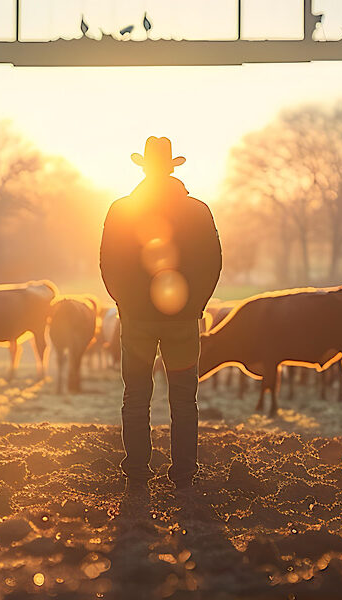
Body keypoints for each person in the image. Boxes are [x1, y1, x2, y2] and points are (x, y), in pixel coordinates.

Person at [100, 136, 222, 491]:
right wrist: (195, 305)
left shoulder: (121, 210)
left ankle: (137, 472)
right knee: (184, 398)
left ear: (142, 168)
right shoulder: (198, 210)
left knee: (135, 394)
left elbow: (109, 264)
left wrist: (125, 303)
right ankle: (184, 473)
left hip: (136, 318)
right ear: (172, 168)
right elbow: (212, 264)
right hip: (182, 320)